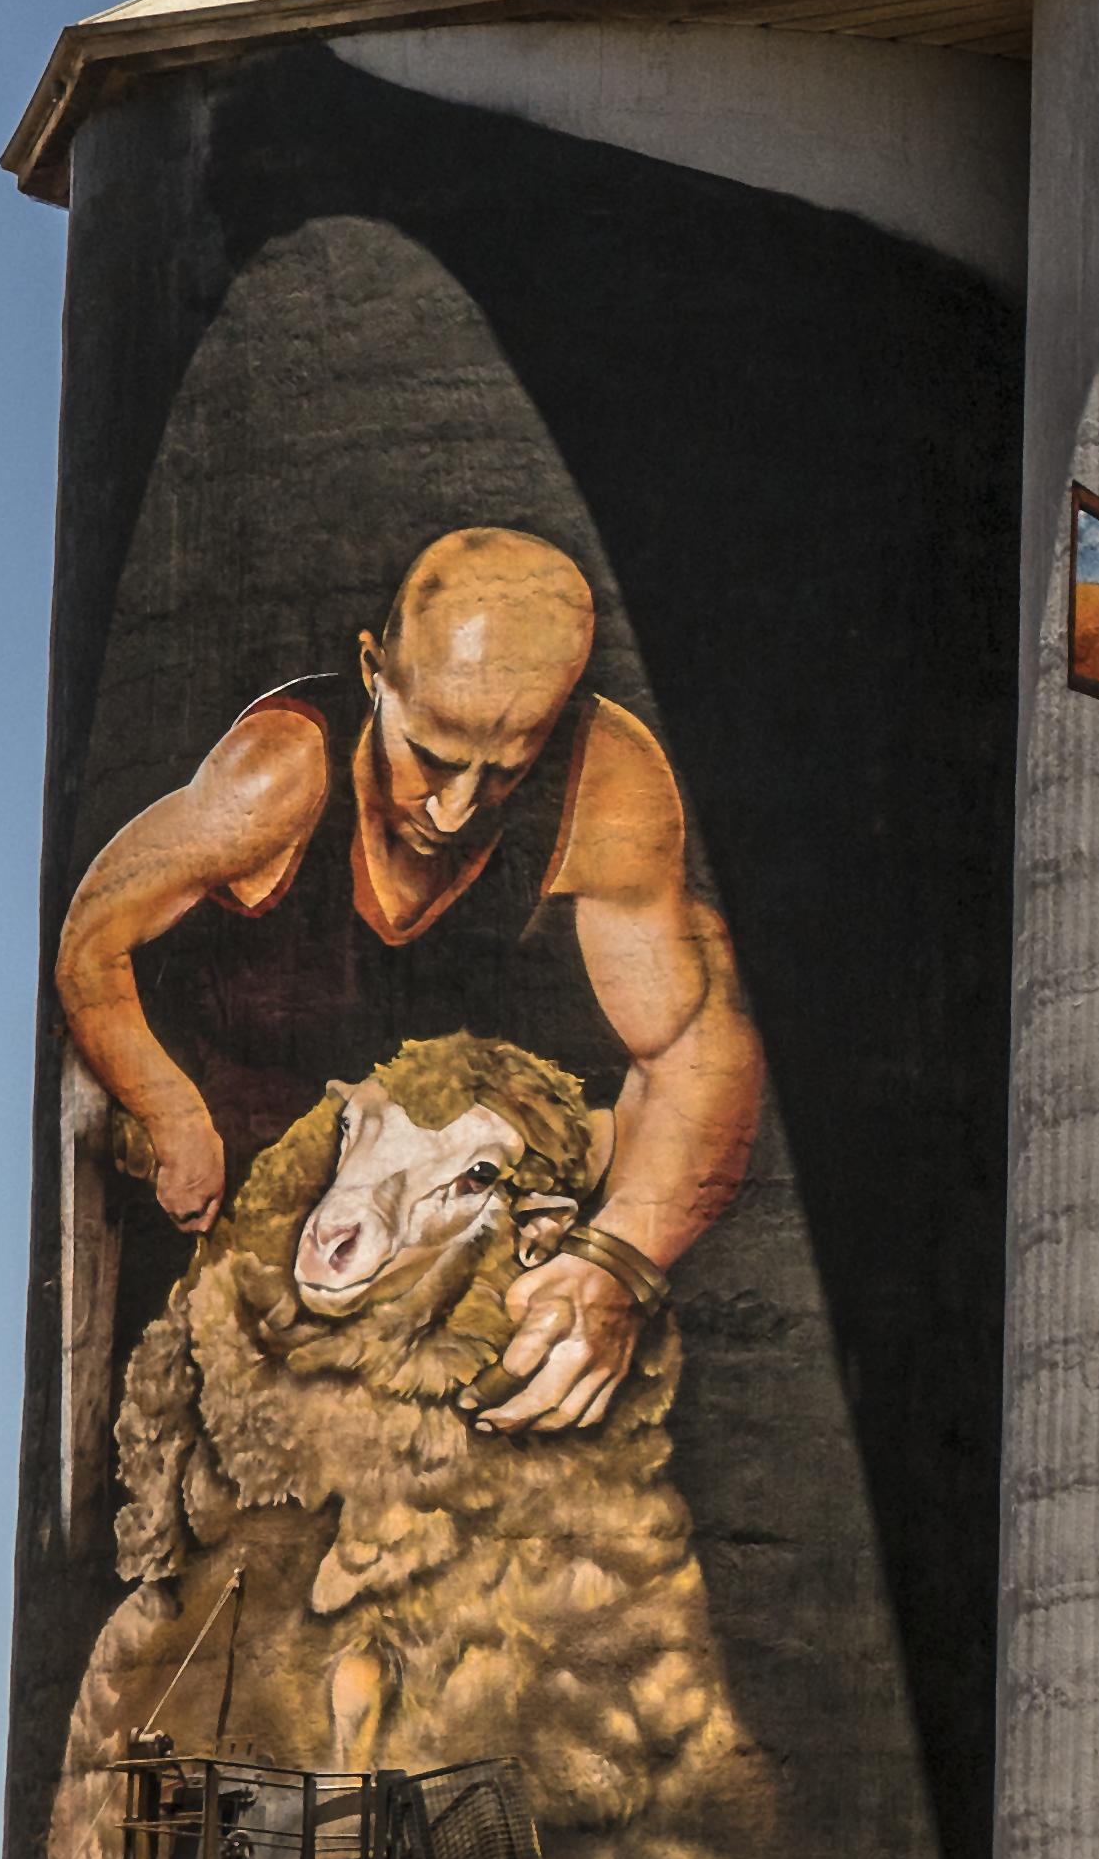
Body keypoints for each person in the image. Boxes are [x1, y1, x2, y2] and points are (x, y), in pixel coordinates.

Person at [52, 525, 766, 1433]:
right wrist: (169, 1109)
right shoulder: (275, 778)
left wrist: (621, 1257)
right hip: (225, 1209)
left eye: (503, 770)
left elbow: (697, 1049)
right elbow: (89, 938)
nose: (455, 808)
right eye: (432, 755)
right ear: (373, 671)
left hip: (426, 1224)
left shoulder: (605, 786)